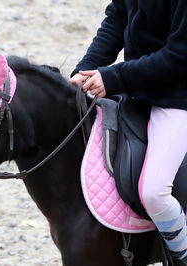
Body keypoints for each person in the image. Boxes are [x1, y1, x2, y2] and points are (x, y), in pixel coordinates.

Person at [69, 0, 187, 264]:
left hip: (179, 97)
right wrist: (85, 68)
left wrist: (113, 77)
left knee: (154, 192)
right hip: (138, 88)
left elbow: (179, 55)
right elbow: (116, 19)